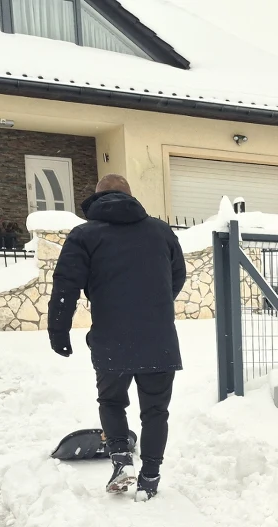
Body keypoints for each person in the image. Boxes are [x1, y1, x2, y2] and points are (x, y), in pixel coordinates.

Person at [47, 174, 186, 501]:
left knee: (111, 401)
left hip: (111, 339)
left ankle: (122, 460)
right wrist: (154, 305)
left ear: (97, 199)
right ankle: (150, 476)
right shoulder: (161, 231)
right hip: (159, 339)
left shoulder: (84, 235)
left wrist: (59, 331)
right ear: (130, 197)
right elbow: (176, 277)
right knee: (155, 412)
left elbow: (66, 286)